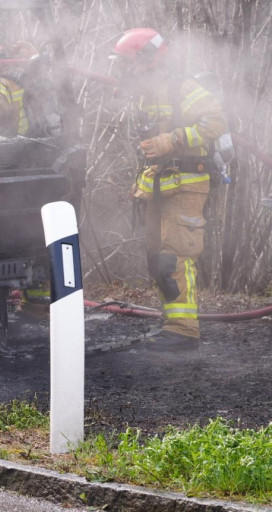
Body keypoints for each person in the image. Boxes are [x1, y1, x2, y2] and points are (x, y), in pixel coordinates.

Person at [110, 28, 229, 352]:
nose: (124, 70)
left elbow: (217, 122)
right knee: (157, 258)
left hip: (188, 184)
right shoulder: (146, 93)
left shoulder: (182, 87)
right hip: (161, 186)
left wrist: (172, 139)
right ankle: (171, 323)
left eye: (127, 63)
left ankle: (183, 330)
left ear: (147, 59)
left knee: (175, 258)